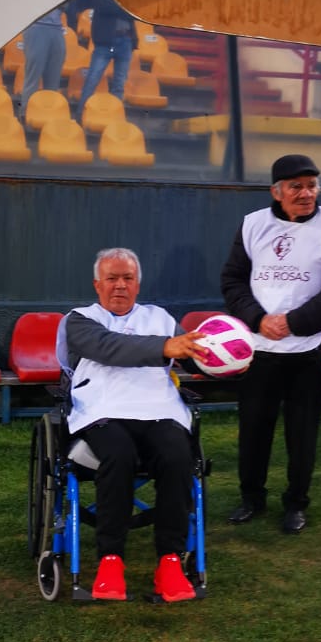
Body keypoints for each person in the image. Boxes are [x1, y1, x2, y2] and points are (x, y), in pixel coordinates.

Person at [60, 247, 208, 601]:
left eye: (127, 278)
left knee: (177, 456)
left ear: (138, 284)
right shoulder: (80, 320)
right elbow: (109, 347)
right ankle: (110, 560)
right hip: (102, 411)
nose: (120, 285)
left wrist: (223, 358)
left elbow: (192, 357)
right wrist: (167, 347)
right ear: (97, 284)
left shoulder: (161, 318)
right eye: (112, 278)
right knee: (119, 455)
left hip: (159, 410)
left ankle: (170, 561)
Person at [220, 154, 321, 534]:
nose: (306, 193)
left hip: (305, 352)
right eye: (296, 187)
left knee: (302, 434)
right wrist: (258, 319)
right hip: (258, 350)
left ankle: (296, 503)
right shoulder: (252, 225)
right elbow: (233, 280)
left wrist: (294, 322)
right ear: (276, 192)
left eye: (312, 185)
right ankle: (251, 498)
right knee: (253, 431)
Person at [73, 0, 137, 117]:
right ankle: (81, 114)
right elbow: (104, 7)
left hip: (125, 41)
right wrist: (123, 8)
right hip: (105, 42)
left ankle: (114, 117)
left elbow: (134, 13)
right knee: (92, 79)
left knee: (119, 84)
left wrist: (119, 8)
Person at [19, 7, 66, 119]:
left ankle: (49, 112)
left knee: (53, 77)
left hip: (57, 27)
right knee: (33, 74)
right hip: (36, 25)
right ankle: (26, 112)